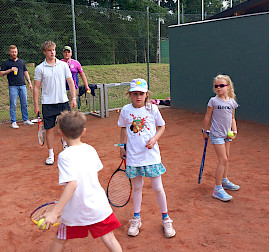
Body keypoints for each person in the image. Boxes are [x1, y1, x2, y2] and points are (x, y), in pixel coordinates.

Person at [39, 111, 122, 252]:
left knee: (60, 239)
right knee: (109, 238)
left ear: (60, 132)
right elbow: (91, 175)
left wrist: (55, 212)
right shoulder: (91, 149)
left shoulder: (64, 156)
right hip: (98, 206)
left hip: (76, 210)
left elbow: (72, 184)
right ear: (83, 131)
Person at [117, 78, 176, 238]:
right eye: (135, 93)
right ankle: (136, 218)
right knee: (137, 187)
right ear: (130, 94)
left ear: (146, 94)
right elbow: (123, 128)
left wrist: (155, 138)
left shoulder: (152, 109)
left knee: (158, 187)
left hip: (151, 156)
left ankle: (166, 218)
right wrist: (122, 146)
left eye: (141, 94)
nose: (138, 97)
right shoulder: (125, 110)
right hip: (134, 156)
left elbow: (162, 126)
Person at [33, 41, 77, 165]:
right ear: (44, 52)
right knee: (49, 130)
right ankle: (51, 155)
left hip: (63, 102)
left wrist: (73, 98)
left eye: (53, 50)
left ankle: (66, 148)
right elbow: (36, 87)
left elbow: (70, 82)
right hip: (48, 104)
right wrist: (36, 105)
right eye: (49, 50)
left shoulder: (63, 66)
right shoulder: (39, 68)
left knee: (66, 128)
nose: (52, 52)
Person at [202, 74, 239, 202]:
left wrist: (234, 130)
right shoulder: (213, 101)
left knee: (226, 159)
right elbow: (207, 116)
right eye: (216, 86)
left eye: (221, 86)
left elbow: (232, 118)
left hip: (226, 134)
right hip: (216, 134)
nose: (218, 88)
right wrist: (204, 130)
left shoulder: (232, 102)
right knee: (222, 159)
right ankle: (217, 189)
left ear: (228, 87)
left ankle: (224, 180)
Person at [0, 45, 34, 128]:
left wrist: (29, 82)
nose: (14, 53)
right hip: (13, 86)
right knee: (13, 104)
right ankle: (13, 121)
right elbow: (1, 73)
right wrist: (10, 70)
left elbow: (25, 72)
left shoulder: (21, 62)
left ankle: (25, 119)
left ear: (17, 52)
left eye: (15, 51)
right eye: (12, 52)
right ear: (9, 52)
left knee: (24, 103)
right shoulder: (6, 63)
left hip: (22, 85)